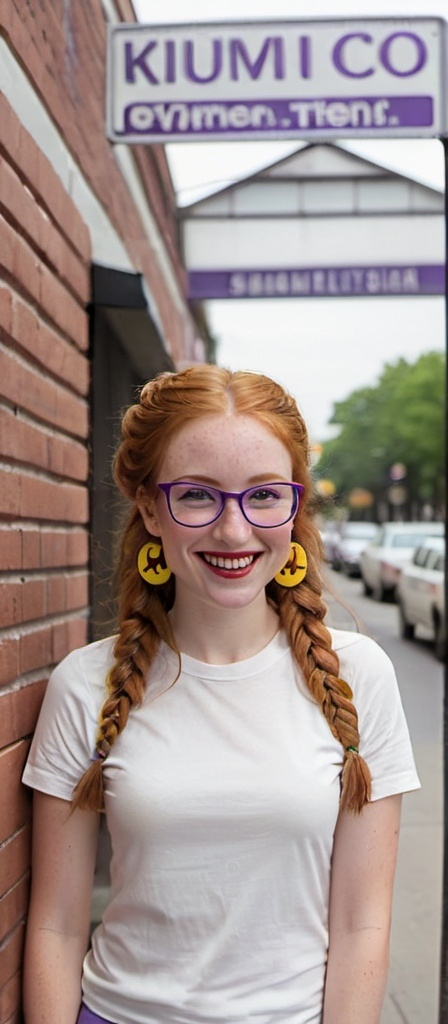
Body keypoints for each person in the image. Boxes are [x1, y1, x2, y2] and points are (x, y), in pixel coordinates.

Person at [23, 364, 420, 1024]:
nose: (234, 532)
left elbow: (361, 926)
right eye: (198, 497)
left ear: (296, 504)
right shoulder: (85, 686)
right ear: (150, 507)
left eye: (264, 496)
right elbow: (56, 929)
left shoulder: (360, 679)